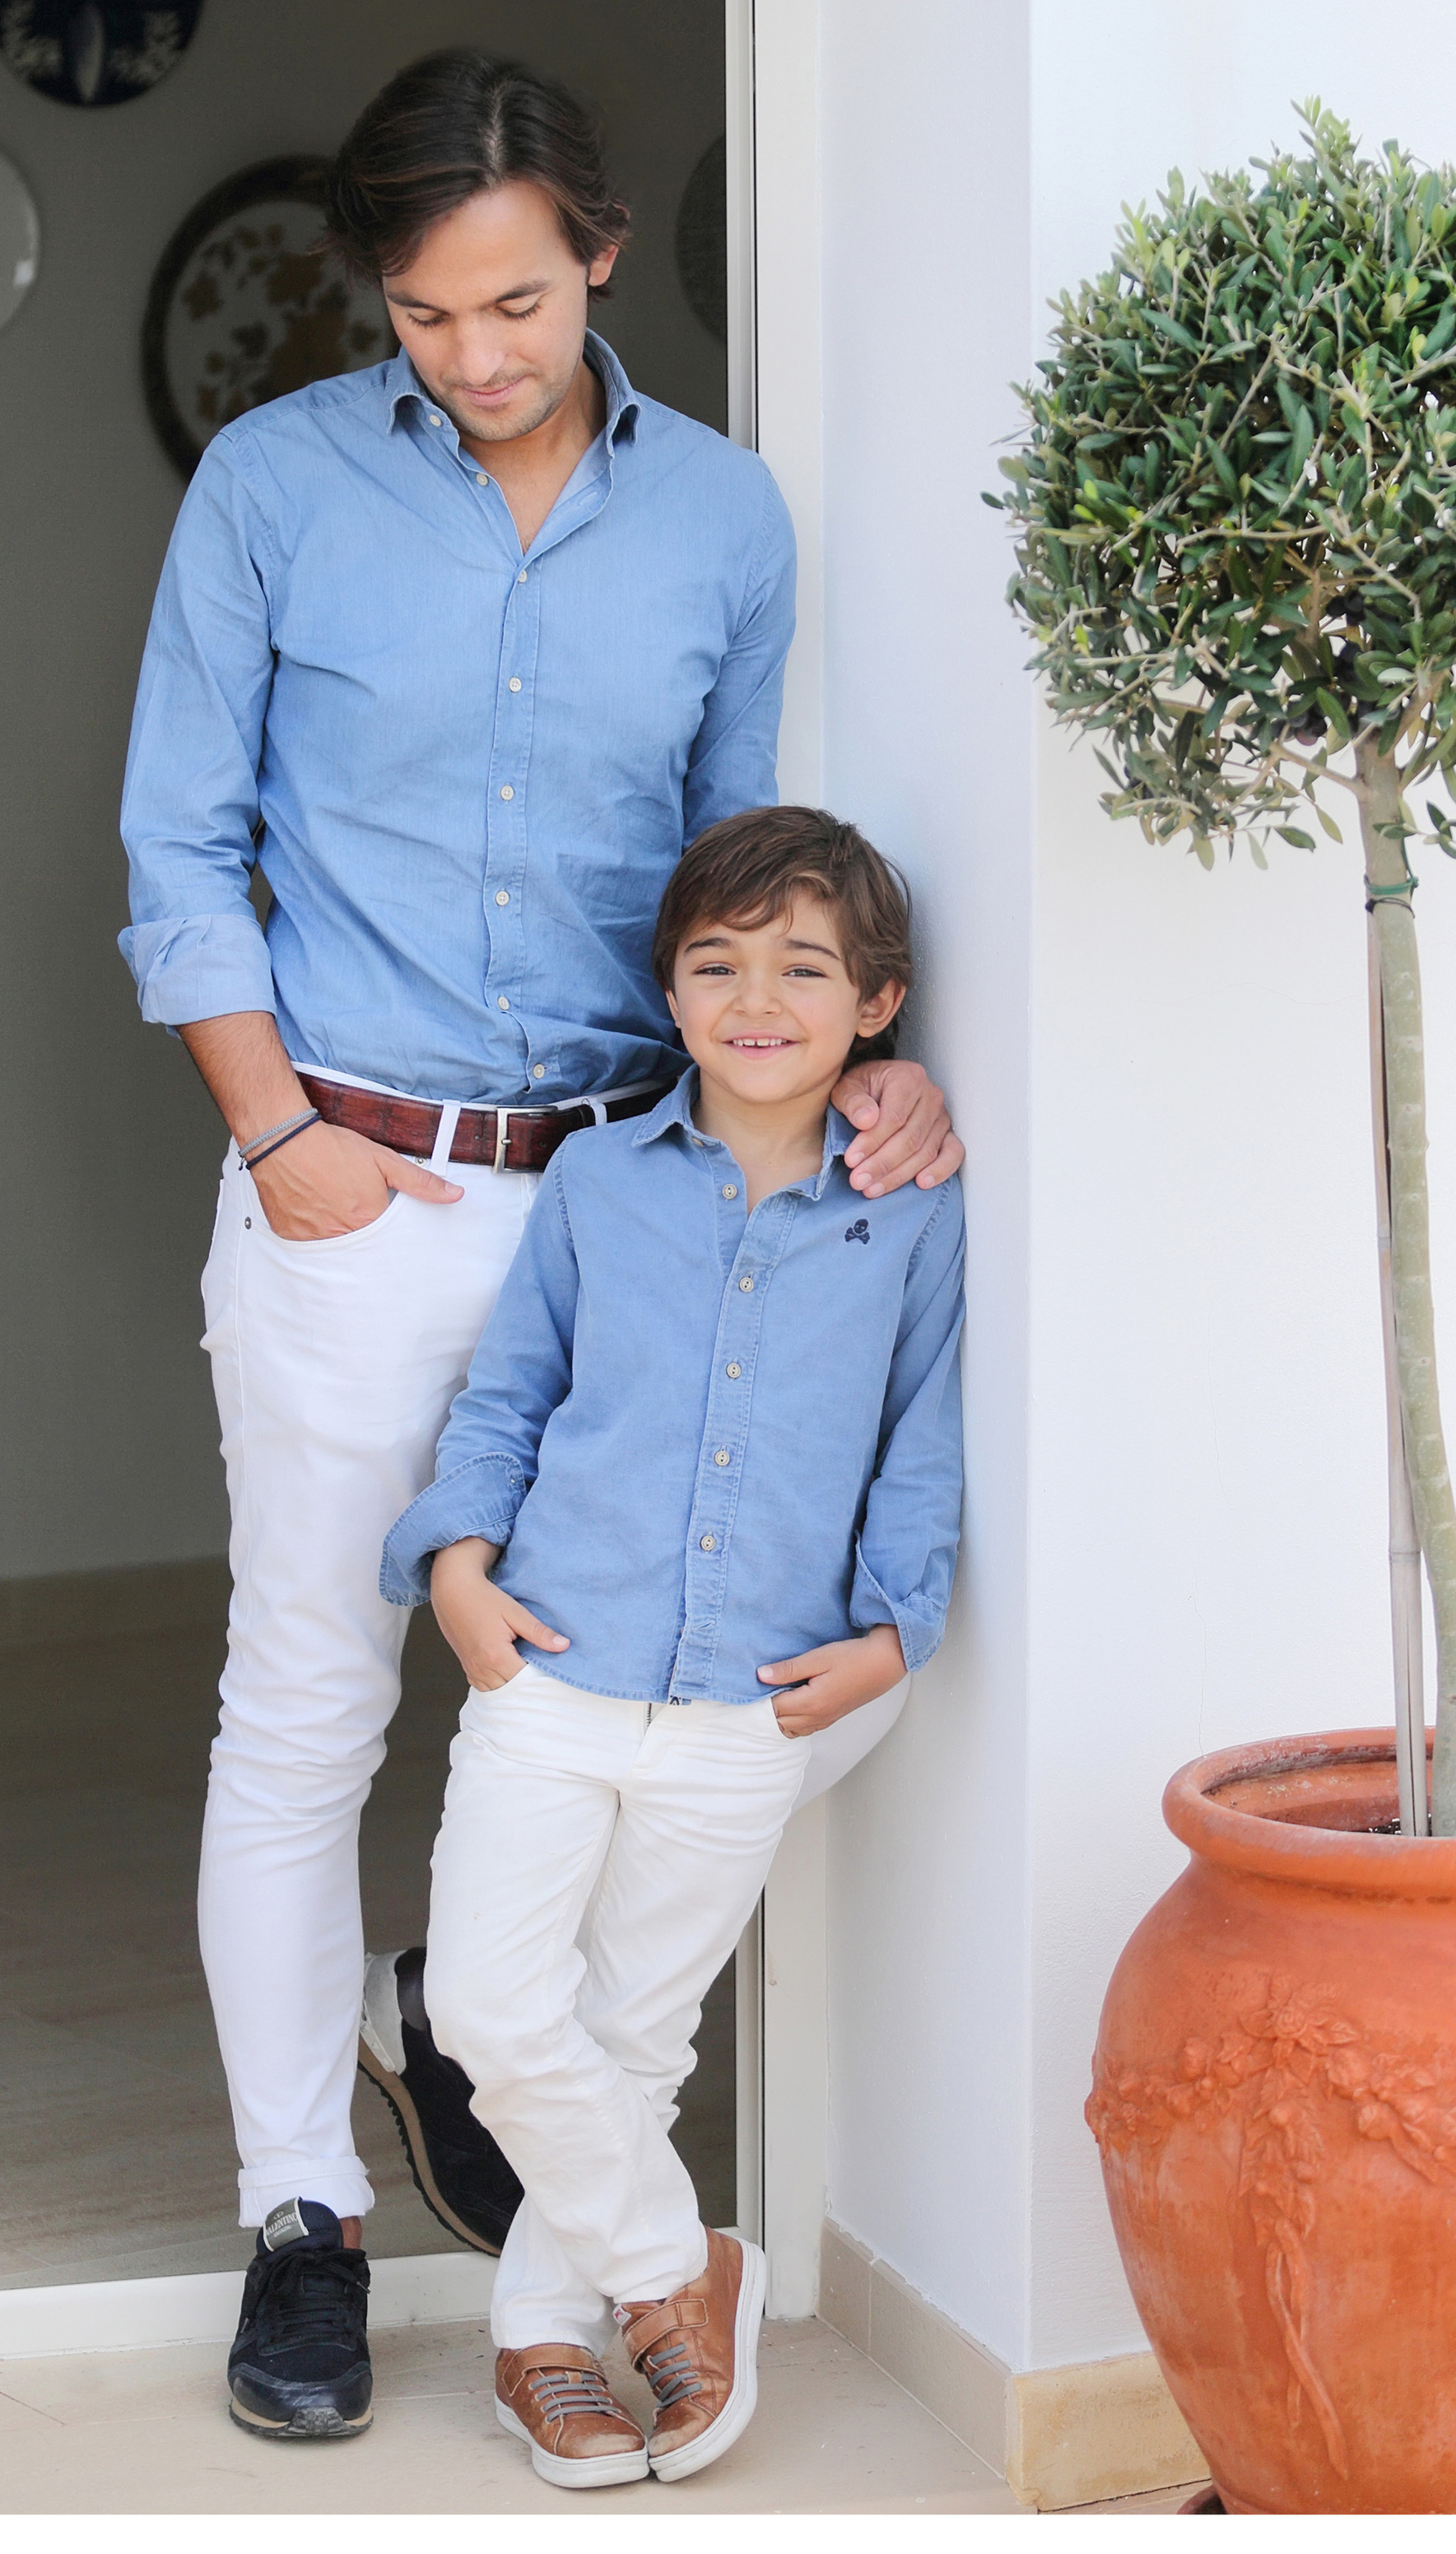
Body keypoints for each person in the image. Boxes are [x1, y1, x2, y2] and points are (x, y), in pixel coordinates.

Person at [117, 49, 959, 2442]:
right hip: (354, 1188)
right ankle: (302, 2213)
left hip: (641, 1200)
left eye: (514, 301)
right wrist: (277, 1133)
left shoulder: (721, 517)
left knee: (670, 1697)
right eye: (422, 314)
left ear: (595, 255)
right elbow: (180, 845)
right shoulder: (274, 489)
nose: (474, 355)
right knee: (310, 1701)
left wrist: (869, 1057)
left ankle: (491, 2058)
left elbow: (743, 866)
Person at [379, 806, 965, 2490]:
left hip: (748, 1698)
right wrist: (456, 1568)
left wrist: (896, 1633)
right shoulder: (596, 1181)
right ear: (670, 990)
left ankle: (540, 2344)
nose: (756, 999)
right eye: (717, 964)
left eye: (803, 968)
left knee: (636, 2032)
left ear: (877, 1005)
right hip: (554, 1661)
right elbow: (510, 1390)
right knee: (488, 2003)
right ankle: (674, 2266)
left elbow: (922, 1437)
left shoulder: (911, 1210)